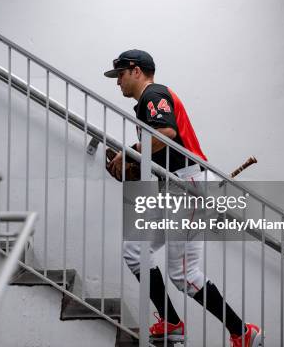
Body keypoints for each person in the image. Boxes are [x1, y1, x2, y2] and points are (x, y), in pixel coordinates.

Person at [103, 50, 262, 347]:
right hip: (173, 186)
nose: (118, 82)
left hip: (188, 184)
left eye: (121, 74)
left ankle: (242, 332)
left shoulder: (154, 93)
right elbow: (161, 142)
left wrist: (130, 153)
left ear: (137, 71)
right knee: (134, 251)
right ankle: (171, 321)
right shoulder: (146, 102)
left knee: (184, 274)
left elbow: (166, 131)